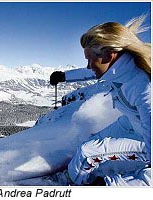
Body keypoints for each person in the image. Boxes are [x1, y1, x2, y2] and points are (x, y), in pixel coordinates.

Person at [50, 15, 151, 186]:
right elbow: (89, 72)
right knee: (88, 143)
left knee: (86, 153)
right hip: (131, 122)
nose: (89, 65)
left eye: (90, 59)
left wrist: (108, 187)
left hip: (145, 137)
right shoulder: (121, 67)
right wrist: (63, 76)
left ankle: (75, 186)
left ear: (109, 55)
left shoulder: (144, 88)